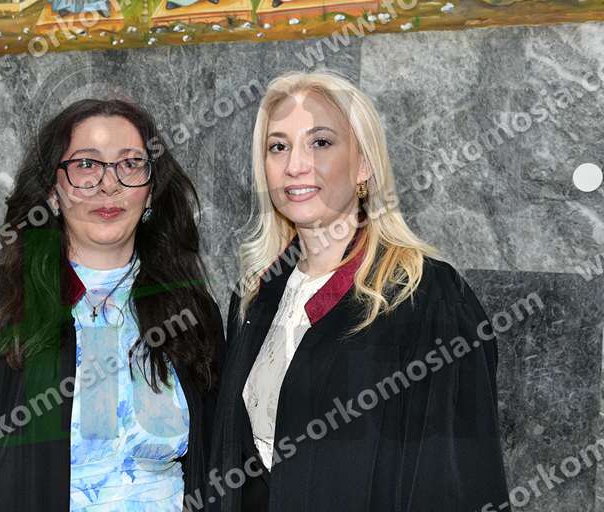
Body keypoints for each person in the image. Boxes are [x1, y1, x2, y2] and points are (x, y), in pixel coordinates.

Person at [0, 98, 224, 511]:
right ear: (53, 191)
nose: (109, 184)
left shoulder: (190, 313)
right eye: (86, 165)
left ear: (151, 191)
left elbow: (219, 465)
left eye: (130, 164)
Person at [206, 70, 512, 511]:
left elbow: (456, 482)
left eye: (320, 142)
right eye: (278, 147)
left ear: (364, 164)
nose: (295, 165)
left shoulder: (428, 297)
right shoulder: (255, 296)